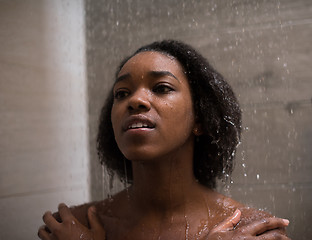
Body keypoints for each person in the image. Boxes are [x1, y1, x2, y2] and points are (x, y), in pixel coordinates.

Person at [38, 40, 290, 240]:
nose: (135, 101)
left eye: (161, 88)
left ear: (200, 119)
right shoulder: (72, 225)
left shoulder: (251, 230)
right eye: (122, 93)